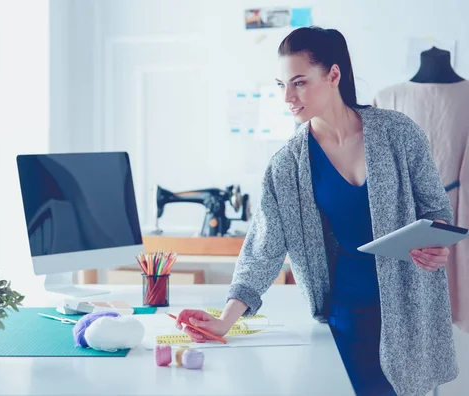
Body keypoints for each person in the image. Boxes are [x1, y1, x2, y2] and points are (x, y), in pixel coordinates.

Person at [177, 27, 459, 396]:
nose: (288, 98)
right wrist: (224, 319)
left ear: (334, 75)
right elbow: (262, 249)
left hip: (409, 311)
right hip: (346, 317)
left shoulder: (399, 133)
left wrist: (436, 245)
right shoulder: (286, 165)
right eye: (282, 85)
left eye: (299, 83)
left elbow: (437, 210)